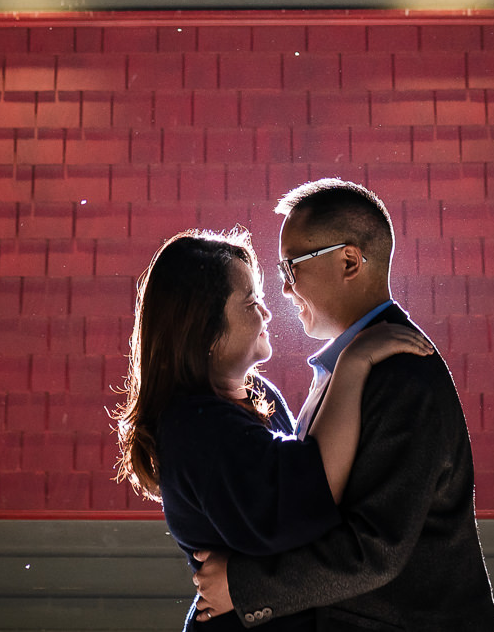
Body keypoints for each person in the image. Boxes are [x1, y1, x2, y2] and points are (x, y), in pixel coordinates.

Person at [190, 179, 494, 630]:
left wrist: (243, 586)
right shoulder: (351, 367)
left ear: (350, 260)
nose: (282, 288)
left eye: (291, 266)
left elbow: (376, 547)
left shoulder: (402, 375)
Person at [114, 228, 435, 632]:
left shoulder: (259, 395)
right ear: (205, 331)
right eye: (251, 302)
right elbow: (309, 493)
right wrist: (354, 364)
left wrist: (240, 578)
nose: (267, 313)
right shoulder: (195, 430)